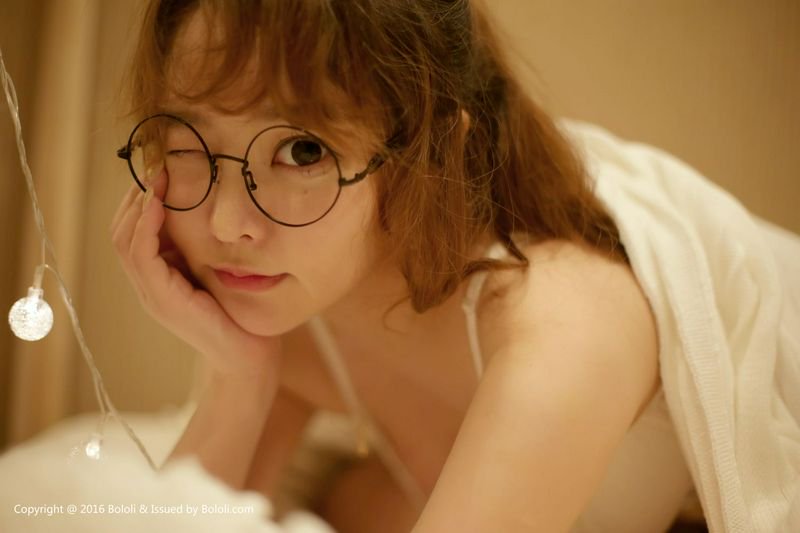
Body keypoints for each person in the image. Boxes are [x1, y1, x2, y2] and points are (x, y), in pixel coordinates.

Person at [110, 1, 800, 532]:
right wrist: (238, 375)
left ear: (435, 152)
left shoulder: (562, 319)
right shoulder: (293, 307)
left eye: (303, 152)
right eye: (189, 141)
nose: (227, 224)